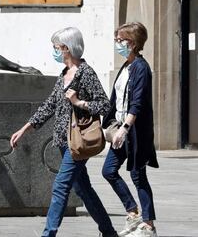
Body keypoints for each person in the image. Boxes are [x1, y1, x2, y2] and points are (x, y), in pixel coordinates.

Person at [10, 27, 118, 237]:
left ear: (67, 48)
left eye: (56, 47)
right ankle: (108, 231)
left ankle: (48, 234)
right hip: (62, 140)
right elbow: (49, 105)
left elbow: (105, 106)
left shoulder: (86, 73)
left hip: (78, 142)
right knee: (83, 189)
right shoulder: (64, 74)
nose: (55, 51)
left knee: (60, 186)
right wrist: (24, 129)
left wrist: (79, 102)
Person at [102, 22, 159, 237]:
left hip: (134, 133)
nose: (117, 44)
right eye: (116, 40)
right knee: (108, 171)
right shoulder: (126, 66)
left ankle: (148, 225)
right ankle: (133, 213)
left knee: (138, 175)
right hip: (120, 130)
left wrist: (125, 128)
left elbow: (137, 103)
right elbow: (117, 100)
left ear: (132, 43)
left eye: (120, 40)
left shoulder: (141, 68)